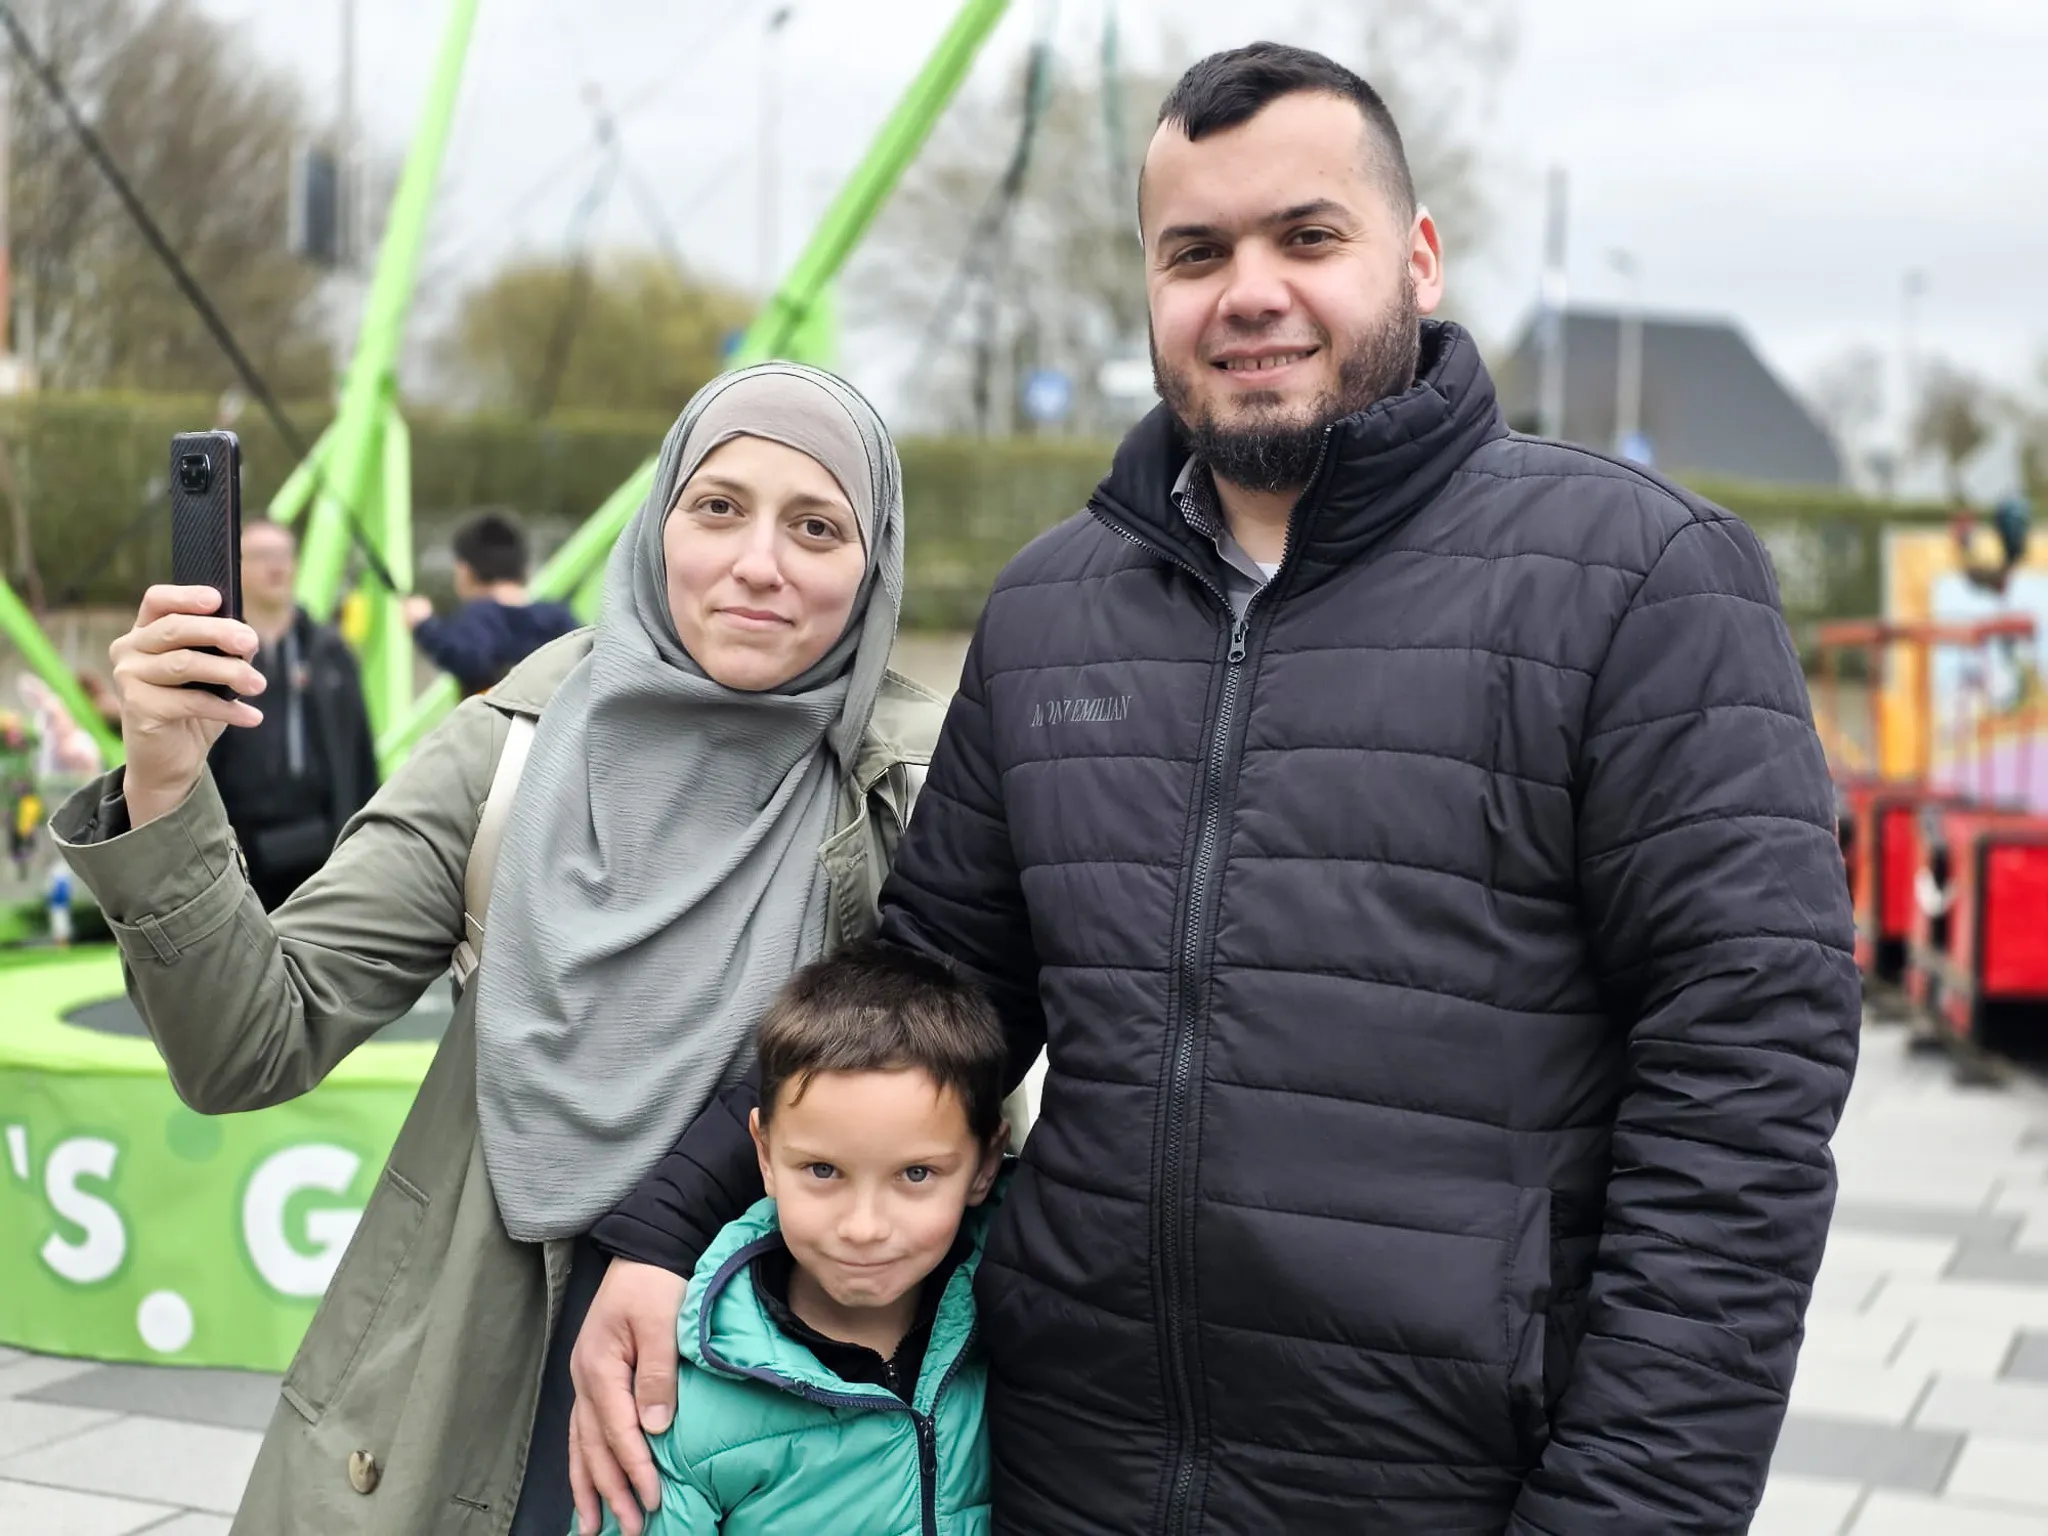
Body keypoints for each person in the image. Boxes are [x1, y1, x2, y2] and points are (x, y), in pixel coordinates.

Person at [571, 43, 1860, 1536]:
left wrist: (1629, 1509)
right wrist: (665, 1231)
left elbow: (1745, 1084)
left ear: (1417, 257)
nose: (1250, 292)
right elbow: (930, 984)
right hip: (1072, 1470)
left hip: (1445, 1486)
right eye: (1196, 252)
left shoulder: (1642, 580)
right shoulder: (1054, 609)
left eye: (1308, 237)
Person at [50, 363, 945, 1536]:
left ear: (871, 565)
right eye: (717, 506)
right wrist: (166, 779)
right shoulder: (510, 753)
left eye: (816, 526)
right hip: (481, 1393)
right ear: (658, 522)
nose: (758, 561)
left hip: (796, 1429)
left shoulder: (913, 794)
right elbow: (246, 1045)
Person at [591, 941, 1009, 1535]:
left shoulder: (1023, 1328)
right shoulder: (685, 1397)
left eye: (916, 1174)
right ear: (764, 1154)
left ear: (985, 1164)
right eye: (822, 1170)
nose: (863, 1227)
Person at [207, 518, 379, 910]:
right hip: (238, 843)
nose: (277, 567)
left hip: (322, 840)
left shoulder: (329, 652)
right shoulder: (214, 653)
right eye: (263, 556)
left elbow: (359, 751)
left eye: (284, 555)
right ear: (236, 567)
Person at [404, 509, 581, 695]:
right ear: (524, 568)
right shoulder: (558, 617)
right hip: (553, 720)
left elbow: (465, 658)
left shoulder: (481, 616)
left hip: (497, 722)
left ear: (465, 571)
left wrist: (425, 625)